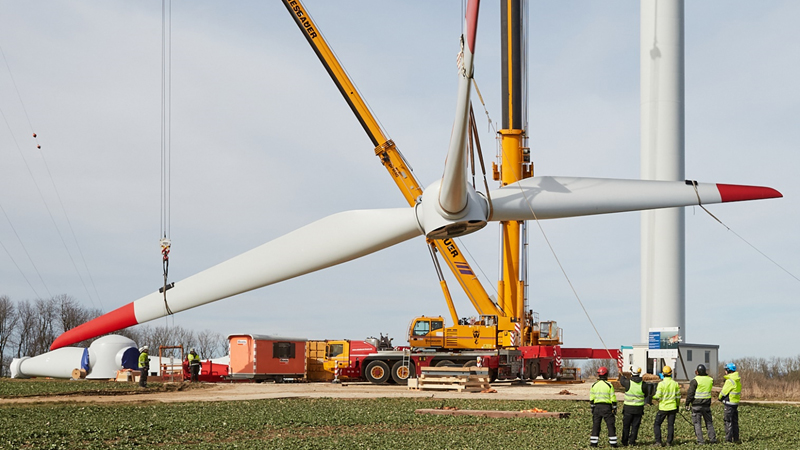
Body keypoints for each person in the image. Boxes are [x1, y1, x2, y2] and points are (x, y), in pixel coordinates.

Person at [685, 364, 717, 444]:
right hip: (706, 405)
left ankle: (700, 441)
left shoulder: (694, 380)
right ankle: (713, 440)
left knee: (697, 424)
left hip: (696, 405)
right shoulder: (710, 380)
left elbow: (690, 393)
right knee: (709, 423)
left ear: (697, 372)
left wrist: (687, 403)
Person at [589, 366, 618, 448]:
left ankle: (593, 443)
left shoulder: (594, 385)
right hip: (607, 407)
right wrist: (614, 407)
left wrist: (592, 407)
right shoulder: (609, 385)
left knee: (596, 425)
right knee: (610, 425)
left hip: (597, 407)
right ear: (606, 374)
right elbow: (613, 397)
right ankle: (613, 443)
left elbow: (591, 397)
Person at [652, 365, 680, 446]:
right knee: (670, 425)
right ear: (671, 373)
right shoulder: (675, 384)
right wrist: (677, 406)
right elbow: (678, 397)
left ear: (663, 374)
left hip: (663, 408)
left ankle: (658, 442)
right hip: (673, 407)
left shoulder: (661, 384)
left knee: (657, 424)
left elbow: (658, 397)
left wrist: (651, 396)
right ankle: (669, 442)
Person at [619, 366, 645, 446]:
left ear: (632, 372)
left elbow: (622, 381)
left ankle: (624, 442)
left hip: (628, 409)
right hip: (639, 409)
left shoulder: (628, 382)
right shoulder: (643, 384)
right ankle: (632, 441)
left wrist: (622, 376)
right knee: (635, 426)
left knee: (626, 426)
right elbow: (647, 394)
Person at [719, 363, 742, 443]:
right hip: (735, 403)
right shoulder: (737, 380)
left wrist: (719, 398)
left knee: (728, 421)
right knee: (734, 421)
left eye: (725, 369)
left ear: (728, 371)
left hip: (729, 403)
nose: (725, 371)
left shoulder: (729, 381)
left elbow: (723, 392)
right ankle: (736, 438)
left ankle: (728, 440)